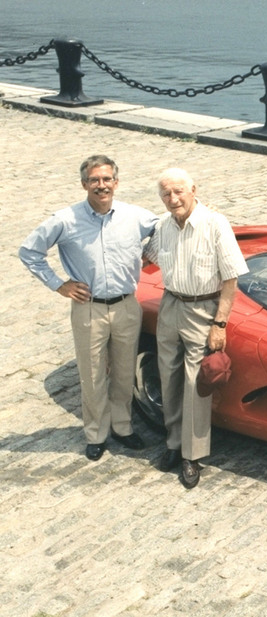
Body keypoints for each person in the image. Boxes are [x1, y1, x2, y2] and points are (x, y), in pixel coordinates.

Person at [19, 155, 159, 460]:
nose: (101, 185)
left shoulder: (135, 216)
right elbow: (29, 251)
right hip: (89, 308)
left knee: (124, 373)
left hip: (126, 306)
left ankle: (123, 427)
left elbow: (163, 230)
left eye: (107, 179)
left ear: (116, 183)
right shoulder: (65, 220)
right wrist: (59, 284)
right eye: (94, 180)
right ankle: (96, 433)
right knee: (92, 374)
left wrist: (148, 253)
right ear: (84, 184)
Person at [144, 168, 248, 489]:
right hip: (171, 304)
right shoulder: (162, 226)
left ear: (193, 189)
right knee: (169, 376)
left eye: (178, 191)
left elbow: (230, 278)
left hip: (204, 308)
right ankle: (174, 443)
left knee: (195, 382)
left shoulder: (215, 224)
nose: (173, 199)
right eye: (166, 194)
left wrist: (220, 323)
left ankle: (193, 455)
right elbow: (147, 253)